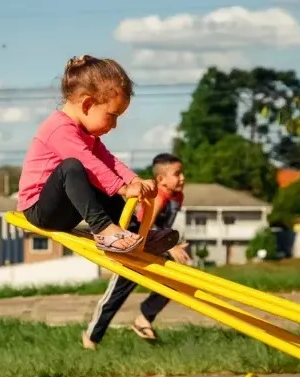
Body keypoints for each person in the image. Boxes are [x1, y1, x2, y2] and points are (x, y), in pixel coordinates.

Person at [17, 54, 180, 255]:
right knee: (73, 168)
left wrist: (135, 180)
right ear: (87, 105)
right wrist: (123, 188)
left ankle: (136, 232)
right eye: (112, 116)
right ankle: (104, 230)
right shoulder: (59, 128)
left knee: (101, 178)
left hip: (67, 207)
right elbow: (88, 163)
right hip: (40, 209)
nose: (114, 125)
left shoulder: (85, 134)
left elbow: (109, 161)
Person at [82, 153, 191, 350]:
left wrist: (173, 244)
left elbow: (163, 225)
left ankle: (143, 318)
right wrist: (171, 246)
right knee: (116, 296)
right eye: (177, 173)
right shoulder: (157, 197)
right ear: (161, 179)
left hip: (151, 251)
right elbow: (143, 225)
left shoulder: (177, 197)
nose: (182, 178)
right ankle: (90, 338)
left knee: (175, 280)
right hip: (133, 249)